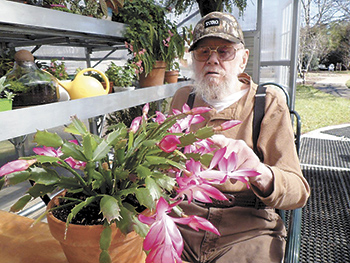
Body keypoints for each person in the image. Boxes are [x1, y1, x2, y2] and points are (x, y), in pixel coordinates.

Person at [170, 12, 310, 263]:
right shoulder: (184, 98)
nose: (212, 59)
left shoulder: (266, 103)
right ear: (193, 60)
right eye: (203, 52)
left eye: (224, 51)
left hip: (247, 229)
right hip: (183, 221)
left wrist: (258, 171)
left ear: (243, 59)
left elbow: (298, 191)